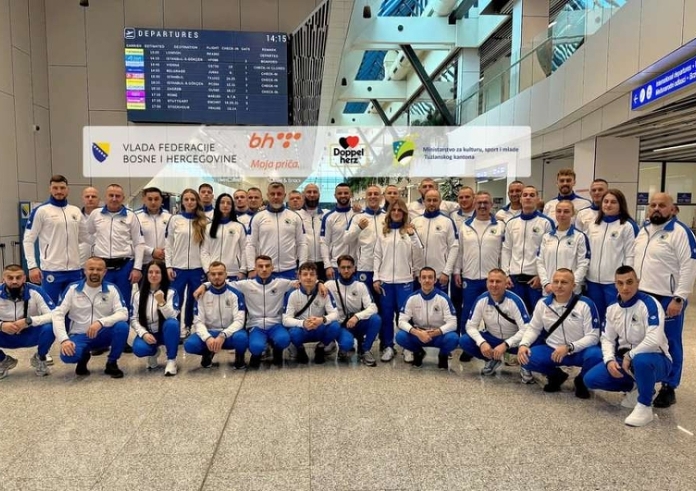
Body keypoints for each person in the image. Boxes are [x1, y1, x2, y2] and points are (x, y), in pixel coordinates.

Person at [583, 266, 672, 427]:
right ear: (615, 285)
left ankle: (645, 406)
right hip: (626, 361)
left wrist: (631, 355)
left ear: (638, 282)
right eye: (620, 283)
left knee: (641, 360)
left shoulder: (650, 304)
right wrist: (609, 360)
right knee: (591, 379)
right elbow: (607, 338)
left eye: (630, 282)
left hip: (657, 359)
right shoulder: (612, 308)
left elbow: (655, 339)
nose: (625, 287)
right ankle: (637, 388)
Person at [634, 192, 696, 408]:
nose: (656, 208)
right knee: (644, 338)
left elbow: (689, 266)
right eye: (653, 205)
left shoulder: (681, 232)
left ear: (672, 209)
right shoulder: (643, 230)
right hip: (643, 295)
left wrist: (679, 298)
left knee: (670, 342)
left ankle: (669, 387)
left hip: (668, 298)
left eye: (662, 205)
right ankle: (645, 380)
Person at [517, 269, 602, 398]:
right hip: (553, 350)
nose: (559, 285)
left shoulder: (586, 304)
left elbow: (593, 336)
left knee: (597, 355)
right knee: (527, 358)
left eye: (564, 282)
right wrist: (524, 344)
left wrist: (570, 347)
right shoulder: (542, 304)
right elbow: (533, 328)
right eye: (556, 282)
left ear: (573, 286)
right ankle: (556, 375)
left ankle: (581, 381)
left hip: (579, 350)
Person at [53, 257, 130, 378]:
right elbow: (58, 314)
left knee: (122, 326)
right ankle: (83, 357)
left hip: (103, 333)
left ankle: (112, 362)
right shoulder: (73, 289)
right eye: (91, 269)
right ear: (84, 270)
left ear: (105, 272)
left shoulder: (112, 289)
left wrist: (101, 322)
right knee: (68, 356)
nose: (95, 272)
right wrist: (64, 340)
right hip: (80, 335)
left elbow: (123, 313)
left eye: (99, 269)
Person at [23, 175, 88, 303]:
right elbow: (28, 240)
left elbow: (85, 237)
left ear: (67, 189)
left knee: (74, 306)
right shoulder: (41, 211)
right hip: (51, 270)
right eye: (55, 188)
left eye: (62, 188)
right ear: (50, 189)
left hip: (74, 269)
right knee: (49, 305)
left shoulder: (75, 211)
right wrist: (32, 266)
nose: (59, 191)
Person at [459, 269, 533, 381]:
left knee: (534, 344)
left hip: (515, 342)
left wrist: (506, 344)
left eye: (498, 281)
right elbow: (470, 326)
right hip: (493, 339)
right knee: (464, 340)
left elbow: (526, 329)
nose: (494, 285)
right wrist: (482, 342)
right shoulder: (481, 300)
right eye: (491, 281)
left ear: (505, 284)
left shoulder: (515, 301)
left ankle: (525, 365)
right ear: (486, 283)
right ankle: (491, 359)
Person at [373, 199, 424, 362]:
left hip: (405, 281)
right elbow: (377, 256)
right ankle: (388, 346)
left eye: (399, 210)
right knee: (387, 315)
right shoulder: (383, 233)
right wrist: (376, 277)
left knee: (405, 315)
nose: (396, 212)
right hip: (386, 281)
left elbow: (419, 252)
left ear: (404, 213)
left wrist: (412, 235)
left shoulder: (409, 232)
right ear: (389, 213)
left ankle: (407, 347)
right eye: (393, 210)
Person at [86, 183, 144, 310]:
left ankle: (123, 323)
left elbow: (139, 243)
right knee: (100, 302)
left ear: (123, 198)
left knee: (123, 303)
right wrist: (96, 245)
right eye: (111, 195)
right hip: (101, 267)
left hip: (124, 267)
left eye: (117, 196)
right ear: (105, 197)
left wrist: (137, 268)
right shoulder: (96, 214)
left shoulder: (131, 216)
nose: (114, 199)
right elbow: (87, 233)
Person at [585, 189, 638, 322]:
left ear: (621, 205)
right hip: (593, 281)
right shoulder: (593, 225)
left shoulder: (627, 226)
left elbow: (630, 255)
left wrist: (626, 280)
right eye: (606, 201)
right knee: (595, 317)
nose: (608, 205)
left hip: (613, 283)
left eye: (613, 202)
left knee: (615, 318)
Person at [453, 191, 505, 325]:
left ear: (491, 205)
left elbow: (504, 252)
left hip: (492, 279)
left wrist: (504, 273)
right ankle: (466, 336)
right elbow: (460, 250)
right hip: (470, 277)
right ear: (474, 204)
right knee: (468, 313)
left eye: (485, 203)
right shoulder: (465, 226)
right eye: (479, 203)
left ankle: (490, 337)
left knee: (493, 313)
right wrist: (457, 271)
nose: (482, 206)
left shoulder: (500, 226)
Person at [183, 261, 248, 369]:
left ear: (226, 275)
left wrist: (223, 335)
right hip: (211, 333)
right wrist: (207, 338)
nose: (216, 277)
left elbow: (239, 321)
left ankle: (240, 355)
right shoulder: (201, 295)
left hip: (231, 334)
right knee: (190, 345)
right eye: (213, 274)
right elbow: (198, 322)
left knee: (242, 339)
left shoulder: (235, 294)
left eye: (220, 273)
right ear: (208, 276)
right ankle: (208, 351)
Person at [501, 185, 554, 311]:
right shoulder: (511, 223)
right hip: (514, 280)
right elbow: (506, 250)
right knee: (515, 315)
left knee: (537, 315)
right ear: (520, 199)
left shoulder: (546, 222)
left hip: (535, 280)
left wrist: (541, 277)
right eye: (525, 195)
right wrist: (505, 275)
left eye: (532, 195)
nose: (528, 198)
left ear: (538, 199)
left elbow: (549, 254)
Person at [395, 267, 458, 369]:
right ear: (419, 280)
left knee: (453, 338)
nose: (427, 280)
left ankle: (443, 355)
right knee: (400, 336)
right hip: (419, 334)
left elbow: (453, 323)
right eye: (424, 277)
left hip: (438, 334)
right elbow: (401, 321)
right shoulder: (412, 298)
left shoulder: (443, 298)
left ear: (435, 280)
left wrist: (434, 333)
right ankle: (418, 352)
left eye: (430, 277)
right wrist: (418, 333)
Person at [165, 188, 208, 335]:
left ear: (197, 201)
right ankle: (175, 329)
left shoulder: (204, 221)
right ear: (182, 202)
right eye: (186, 199)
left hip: (198, 268)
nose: (190, 202)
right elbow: (169, 244)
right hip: (178, 267)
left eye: (193, 199)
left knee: (196, 299)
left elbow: (206, 247)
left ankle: (192, 327)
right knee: (176, 299)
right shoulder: (175, 220)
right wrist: (168, 266)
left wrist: (206, 269)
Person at [0, 264, 55, 378]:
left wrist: (29, 321)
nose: (14, 281)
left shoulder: (35, 291)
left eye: (18, 277)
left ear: (24, 278)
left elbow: (54, 315)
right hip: (5, 335)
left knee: (50, 327)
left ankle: (40, 358)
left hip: (30, 334)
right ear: (3, 279)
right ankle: (3, 360)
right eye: (10, 278)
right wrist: (1, 325)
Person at [245, 182, 308, 280]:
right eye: (272, 194)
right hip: (265, 270)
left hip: (290, 270)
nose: (276, 197)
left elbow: (302, 244)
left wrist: (302, 268)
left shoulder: (295, 217)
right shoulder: (258, 217)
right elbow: (250, 244)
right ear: (267, 195)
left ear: (284, 196)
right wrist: (251, 268)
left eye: (279, 194)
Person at [326, 255, 380, 366]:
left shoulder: (361, 286)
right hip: (342, 325)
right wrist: (319, 284)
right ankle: (343, 346)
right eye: (343, 267)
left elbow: (373, 307)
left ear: (354, 268)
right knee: (347, 344)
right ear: (338, 269)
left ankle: (365, 350)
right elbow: (313, 285)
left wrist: (357, 317)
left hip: (356, 323)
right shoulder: (329, 285)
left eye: (349, 267)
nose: (346, 270)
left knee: (376, 319)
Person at [283, 262, 341, 364]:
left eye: (312, 274)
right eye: (305, 274)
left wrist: (322, 320)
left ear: (317, 277)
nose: (309, 277)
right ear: (299, 277)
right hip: (302, 329)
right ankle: (299, 349)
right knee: (293, 332)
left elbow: (336, 314)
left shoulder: (324, 292)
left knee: (335, 326)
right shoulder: (292, 293)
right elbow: (285, 319)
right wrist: (303, 323)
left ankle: (321, 347)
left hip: (319, 327)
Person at [130, 261, 180, 376]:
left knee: (172, 324)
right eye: (150, 272)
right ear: (146, 274)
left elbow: (173, 317)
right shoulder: (137, 295)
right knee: (139, 349)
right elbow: (133, 319)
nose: (153, 275)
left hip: (165, 332)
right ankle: (153, 352)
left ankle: (171, 360)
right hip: (149, 333)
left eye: (157, 272)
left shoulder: (171, 292)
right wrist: (143, 334)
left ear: (163, 274)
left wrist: (162, 303)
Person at [536, 201, 589, 295]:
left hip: (571, 291)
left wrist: (572, 284)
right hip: (549, 289)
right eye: (559, 211)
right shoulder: (546, 237)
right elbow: (540, 262)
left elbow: (583, 264)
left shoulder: (579, 237)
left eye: (566, 211)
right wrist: (546, 283)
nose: (562, 214)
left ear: (572, 214)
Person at [411, 189, 459, 292]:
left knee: (439, 302)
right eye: (429, 200)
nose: (432, 203)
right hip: (419, 276)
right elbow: (411, 248)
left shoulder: (447, 222)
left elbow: (454, 248)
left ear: (440, 201)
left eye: (435, 200)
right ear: (424, 201)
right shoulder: (415, 222)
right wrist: (413, 270)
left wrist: (446, 272)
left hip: (439, 275)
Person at [345, 184, 386, 299]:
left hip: (384, 268)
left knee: (384, 303)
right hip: (365, 267)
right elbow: (346, 239)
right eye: (370, 194)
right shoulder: (357, 218)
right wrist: (359, 228)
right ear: (366, 197)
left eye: (376, 194)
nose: (373, 196)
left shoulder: (387, 217)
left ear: (381, 197)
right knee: (365, 301)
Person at [200, 193, 248, 279]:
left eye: (228, 203)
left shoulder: (239, 226)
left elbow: (244, 249)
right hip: (214, 272)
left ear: (232, 206)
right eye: (222, 202)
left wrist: (243, 270)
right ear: (217, 205)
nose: (225, 205)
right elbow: (204, 251)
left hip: (234, 272)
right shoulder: (208, 227)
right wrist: (208, 271)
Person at [320, 183, 356, 280]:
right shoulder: (329, 217)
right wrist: (327, 265)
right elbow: (324, 243)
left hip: (355, 266)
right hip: (336, 266)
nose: (343, 195)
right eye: (340, 193)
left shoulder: (358, 213)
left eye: (346, 193)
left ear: (351, 194)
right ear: (335, 195)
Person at [135, 187, 171, 265]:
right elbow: (133, 241)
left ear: (161, 200)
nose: (153, 202)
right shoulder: (136, 217)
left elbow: (173, 239)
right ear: (144, 200)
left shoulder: (169, 216)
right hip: (145, 263)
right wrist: (152, 251)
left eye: (156, 199)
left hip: (165, 262)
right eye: (150, 199)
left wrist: (167, 251)